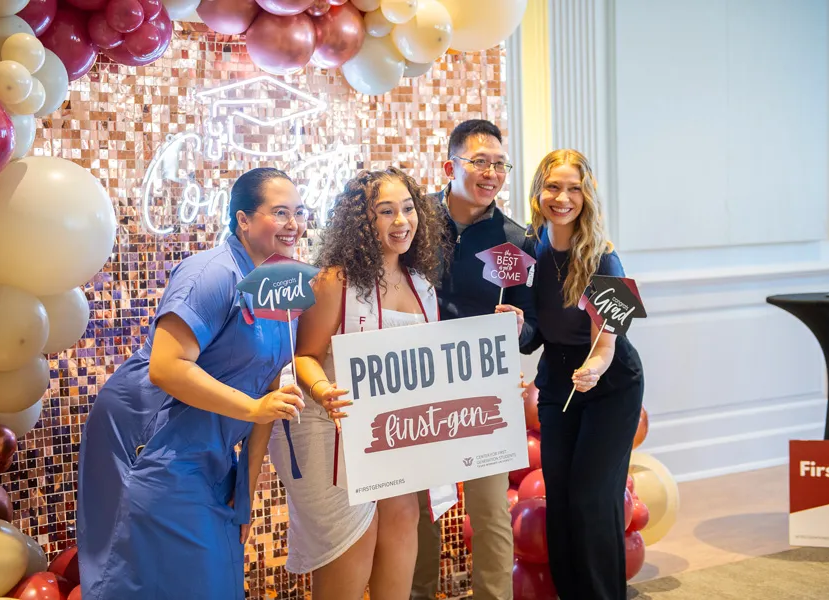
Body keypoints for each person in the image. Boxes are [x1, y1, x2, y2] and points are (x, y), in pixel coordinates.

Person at [76, 168, 308, 600]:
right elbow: (167, 366)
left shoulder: (282, 282)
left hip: (215, 455)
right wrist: (255, 408)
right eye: (280, 213)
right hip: (155, 444)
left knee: (218, 577)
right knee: (155, 577)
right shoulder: (210, 274)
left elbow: (270, 391)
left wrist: (247, 487)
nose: (294, 224)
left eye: (299, 212)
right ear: (242, 220)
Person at [268, 167, 448, 600]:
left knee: (405, 513)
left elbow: (433, 365)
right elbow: (305, 356)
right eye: (386, 211)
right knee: (355, 542)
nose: (401, 221)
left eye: (408, 209)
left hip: (390, 433)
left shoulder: (422, 285)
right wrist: (324, 391)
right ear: (362, 221)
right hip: (330, 426)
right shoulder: (334, 281)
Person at [412, 119, 538, 600]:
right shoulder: (413, 221)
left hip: (485, 386)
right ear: (450, 165)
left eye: (500, 164)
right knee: (416, 504)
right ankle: (417, 592)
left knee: (488, 508)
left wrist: (520, 326)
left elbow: (535, 325)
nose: (491, 173)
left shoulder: (516, 240)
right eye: (479, 162)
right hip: (418, 383)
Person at [521, 149, 644, 600]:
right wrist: (514, 326)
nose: (563, 197)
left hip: (609, 384)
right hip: (556, 378)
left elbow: (606, 345)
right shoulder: (527, 248)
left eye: (574, 188)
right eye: (554, 186)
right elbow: (533, 333)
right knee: (562, 501)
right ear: (539, 192)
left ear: (586, 195)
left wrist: (591, 368)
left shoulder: (604, 259)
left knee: (593, 500)